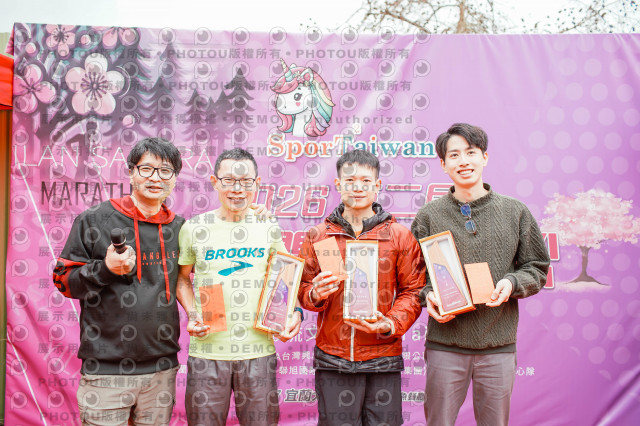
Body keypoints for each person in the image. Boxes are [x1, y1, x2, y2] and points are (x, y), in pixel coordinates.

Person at [411, 123, 551, 426]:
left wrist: (511, 283)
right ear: (443, 164)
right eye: (454, 155)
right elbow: (413, 276)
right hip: (445, 345)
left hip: (497, 347)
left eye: (471, 152)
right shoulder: (428, 216)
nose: (463, 161)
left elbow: (537, 267)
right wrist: (427, 295)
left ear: (484, 157)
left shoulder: (516, 212)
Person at [52, 137, 185, 425]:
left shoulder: (179, 227)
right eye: (146, 169)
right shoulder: (94, 220)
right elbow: (63, 281)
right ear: (131, 171)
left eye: (165, 171)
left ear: (174, 178)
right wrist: (106, 269)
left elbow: (187, 281)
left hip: (162, 370)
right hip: (106, 372)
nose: (155, 178)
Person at [297, 149, 425, 426]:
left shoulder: (399, 236)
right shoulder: (319, 236)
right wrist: (314, 294)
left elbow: (414, 290)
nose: (358, 187)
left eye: (366, 181)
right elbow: (303, 287)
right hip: (333, 358)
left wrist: (390, 323)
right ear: (338, 184)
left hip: (383, 356)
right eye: (350, 180)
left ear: (377, 185)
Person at [177, 148, 302, 426]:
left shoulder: (267, 225)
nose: (238, 189)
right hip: (207, 352)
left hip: (258, 352)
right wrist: (193, 313)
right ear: (214, 182)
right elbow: (182, 278)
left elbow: (286, 275)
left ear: (257, 183)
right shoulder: (194, 227)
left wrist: (293, 313)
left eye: (246, 181)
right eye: (229, 180)